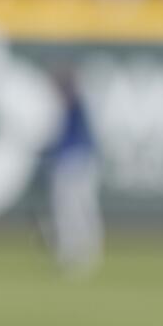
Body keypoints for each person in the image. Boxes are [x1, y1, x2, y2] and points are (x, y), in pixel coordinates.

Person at [42, 65, 102, 276]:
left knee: (73, 210)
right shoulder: (71, 106)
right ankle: (77, 253)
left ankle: (78, 254)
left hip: (74, 163)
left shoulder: (74, 106)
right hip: (77, 161)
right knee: (76, 210)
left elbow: (67, 140)